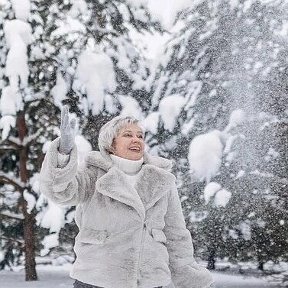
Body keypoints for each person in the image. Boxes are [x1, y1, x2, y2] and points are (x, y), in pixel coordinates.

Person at [39, 106, 214, 288]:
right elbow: (59, 190)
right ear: (111, 143)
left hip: (149, 282)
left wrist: (193, 281)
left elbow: (176, 235)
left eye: (140, 136)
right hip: (98, 279)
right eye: (128, 135)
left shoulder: (162, 180)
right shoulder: (93, 174)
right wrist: (62, 154)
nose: (136, 140)